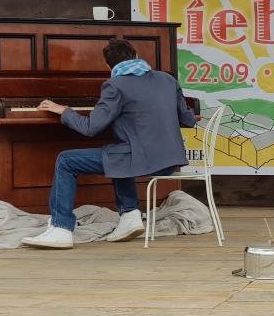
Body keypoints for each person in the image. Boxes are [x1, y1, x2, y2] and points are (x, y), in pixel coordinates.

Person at [21, 39, 197, 249]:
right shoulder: (167, 79)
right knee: (117, 150)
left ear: (107, 66)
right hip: (170, 160)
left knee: (66, 160)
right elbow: (188, 119)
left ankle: (61, 229)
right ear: (136, 54)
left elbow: (90, 128)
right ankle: (129, 215)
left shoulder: (115, 85)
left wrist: (64, 111)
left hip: (142, 160)